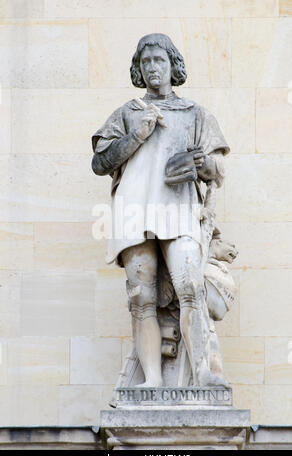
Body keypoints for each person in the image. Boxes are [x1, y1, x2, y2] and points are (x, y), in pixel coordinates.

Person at [91, 33, 230, 387]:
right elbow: (101, 162)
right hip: (134, 212)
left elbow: (218, 170)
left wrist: (201, 163)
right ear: (138, 69)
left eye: (159, 60)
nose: (152, 67)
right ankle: (151, 380)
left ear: (173, 66)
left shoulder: (195, 114)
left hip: (178, 210)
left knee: (190, 286)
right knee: (141, 297)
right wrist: (136, 135)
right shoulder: (127, 113)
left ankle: (202, 373)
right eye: (145, 62)